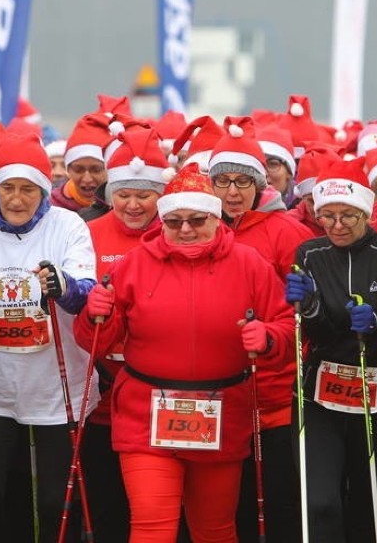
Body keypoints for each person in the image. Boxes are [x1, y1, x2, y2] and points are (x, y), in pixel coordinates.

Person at [74, 163, 294, 543]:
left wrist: (268, 337)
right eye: (174, 222)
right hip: (146, 411)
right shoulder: (136, 264)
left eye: (196, 219)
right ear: (162, 222)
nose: (186, 229)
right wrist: (95, 313)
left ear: (215, 217)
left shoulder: (250, 265)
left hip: (222, 411)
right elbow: (97, 341)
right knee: (151, 526)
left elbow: (287, 325)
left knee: (214, 529)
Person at [0, 132, 99, 543]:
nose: (16, 199)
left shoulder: (68, 225)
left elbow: (85, 291)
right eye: (8, 188)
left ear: (44, 189)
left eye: (28, 189)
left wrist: (61, 286)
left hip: (54, 385)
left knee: (53, 500)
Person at [284, 150, 377, 542]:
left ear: (366, 212)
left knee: (371, 501)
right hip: (323, 390)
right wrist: (311, 305)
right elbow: (315, 331)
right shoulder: (310, 253)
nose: (336, 225)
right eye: (327, 215)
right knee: (320, 503)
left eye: (348, 215)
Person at [207, 116, 313, 542]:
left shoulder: (287, 231)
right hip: (215, 390)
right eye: (224, 181)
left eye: (243, 182)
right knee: (228, 503)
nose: (233, 192)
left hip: (274, 392)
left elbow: (305, 311)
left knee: (278, 499)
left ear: (259, 184)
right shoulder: (193, 226)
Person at [82, 128, 173, 543]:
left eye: (145, 194)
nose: (133, 205)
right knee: (105, 505)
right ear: (109, 192)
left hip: (159, 394)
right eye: (123, 194)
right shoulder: (88, 232)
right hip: (100, 393)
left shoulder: (178, 233)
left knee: (156, 507)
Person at [51, 113, 114, 214]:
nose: (87, 179)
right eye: (78, 170)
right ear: (68, 170)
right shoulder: (50, 208)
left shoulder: (122, 208)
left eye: (96, 170)